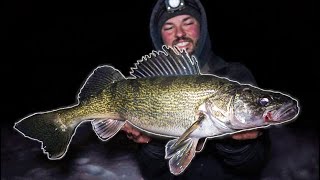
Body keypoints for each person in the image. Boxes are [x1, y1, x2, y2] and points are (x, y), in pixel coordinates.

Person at [121, 0, 271, 179]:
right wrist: (152, 141)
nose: (179, 34)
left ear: (203, 28)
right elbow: (150, 171)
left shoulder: (235, 75)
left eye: (188, 23)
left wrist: (237, 144)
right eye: (169, 27)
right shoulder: (144, 83)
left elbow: (254, 165)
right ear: (158, 36)